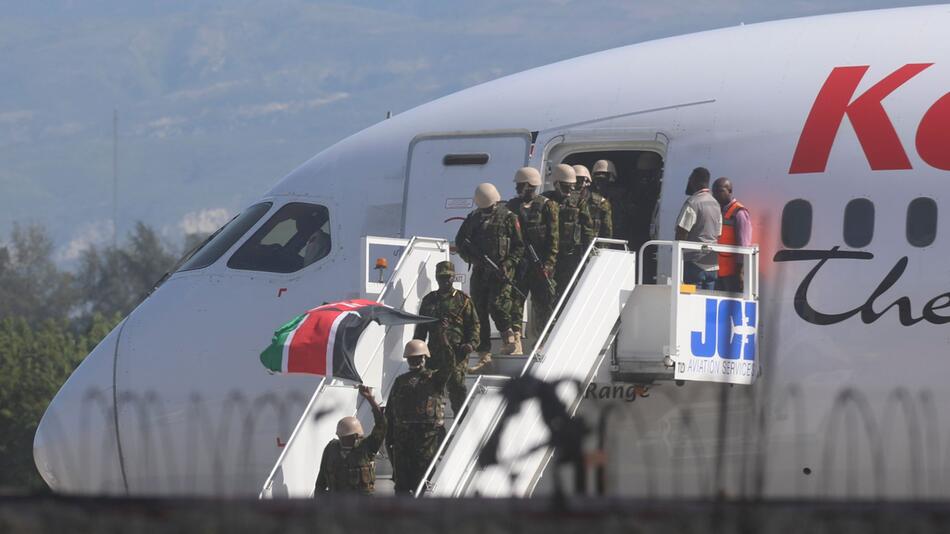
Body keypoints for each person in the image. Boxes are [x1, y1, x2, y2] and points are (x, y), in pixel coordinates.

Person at [455, 183, 525, 362]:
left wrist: (508, 264)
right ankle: (483, 350)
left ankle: (509, 337)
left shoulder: (509, 217)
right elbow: (461, 243)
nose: (486, 211)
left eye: (489, 208)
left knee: (497, 305)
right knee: (479, 309)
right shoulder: (474, 217)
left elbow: (519, 246)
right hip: (480, 271)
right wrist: (473, 260)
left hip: (500, 271)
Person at [413, 261, 479, 413]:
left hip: (457, 353)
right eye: (442, 277)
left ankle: (462, 423)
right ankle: (435, 427)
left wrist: (471, 344)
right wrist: (417, 349)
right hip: (434, 353)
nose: (445, 280)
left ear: (453, 277)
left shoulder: (463, 300)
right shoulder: (429, 300)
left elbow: (474, 325)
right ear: (437, 278)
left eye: (448, 277)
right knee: (431, 391)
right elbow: (421, 329)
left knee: (457, 388)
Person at [387, 339, 451, 495]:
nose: (415, 360)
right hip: (402, 440)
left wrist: (445, 341)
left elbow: (449, 365)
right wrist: (389, 438)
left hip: (426, 439)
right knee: (401, 485)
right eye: (412, 358)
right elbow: (390, 411)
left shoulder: (434, 379)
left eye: (418, 357)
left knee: (422, 483)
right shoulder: (400, 381)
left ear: (425, 358)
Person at [506, 167, 559, 343]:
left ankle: (544, 341)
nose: (516, 189)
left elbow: (553, 238)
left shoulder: (547, 205)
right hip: (519, 264)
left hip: (539, 264)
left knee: (543, 304)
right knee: (514, 303)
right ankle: (516, 341)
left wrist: (549, 263)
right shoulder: (511, 206)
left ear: (529, 186)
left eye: (519, 185)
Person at [314, 385, 385, 496]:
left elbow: (382, 425)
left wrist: (370, 399)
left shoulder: (367, 447)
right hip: (337, 507)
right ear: (355, 435)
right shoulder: (331, 449)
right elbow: (321, 482)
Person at [543, 164, 595, 300]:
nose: (570, 190)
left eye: (572, 186)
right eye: (566, 186)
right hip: (548, 256)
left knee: (570, 291)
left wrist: (589, 255)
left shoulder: (578, 202)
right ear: (556, 184)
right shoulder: (544, 201)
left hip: (571, 255)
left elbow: (588, 230)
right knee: (547, 293)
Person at [675, 167, 722, 289]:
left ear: (695, 181)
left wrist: (678, 255)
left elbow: (682, 231)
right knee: (707, 304)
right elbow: (718, 233)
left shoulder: (693, 202)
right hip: (712, 264)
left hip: (694, 264)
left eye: (690, 179)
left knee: (690, 302)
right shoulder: (716, 204)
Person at [712, 177, 751, 292]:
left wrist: (740, 272)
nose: (716, 195)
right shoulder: (718, 211)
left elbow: (744, 245)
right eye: (714, 192)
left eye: (719, 191)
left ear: (729, 191)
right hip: (719, 272)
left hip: (733, 273)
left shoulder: (739, 213)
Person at [575, 164, 613, 239]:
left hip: (592, 246)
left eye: (581, 181)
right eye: (576, 181)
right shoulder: (560, 200)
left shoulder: (601, 202)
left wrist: (602, 249)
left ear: (587, 182)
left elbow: (607, 232)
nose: (579, 184)